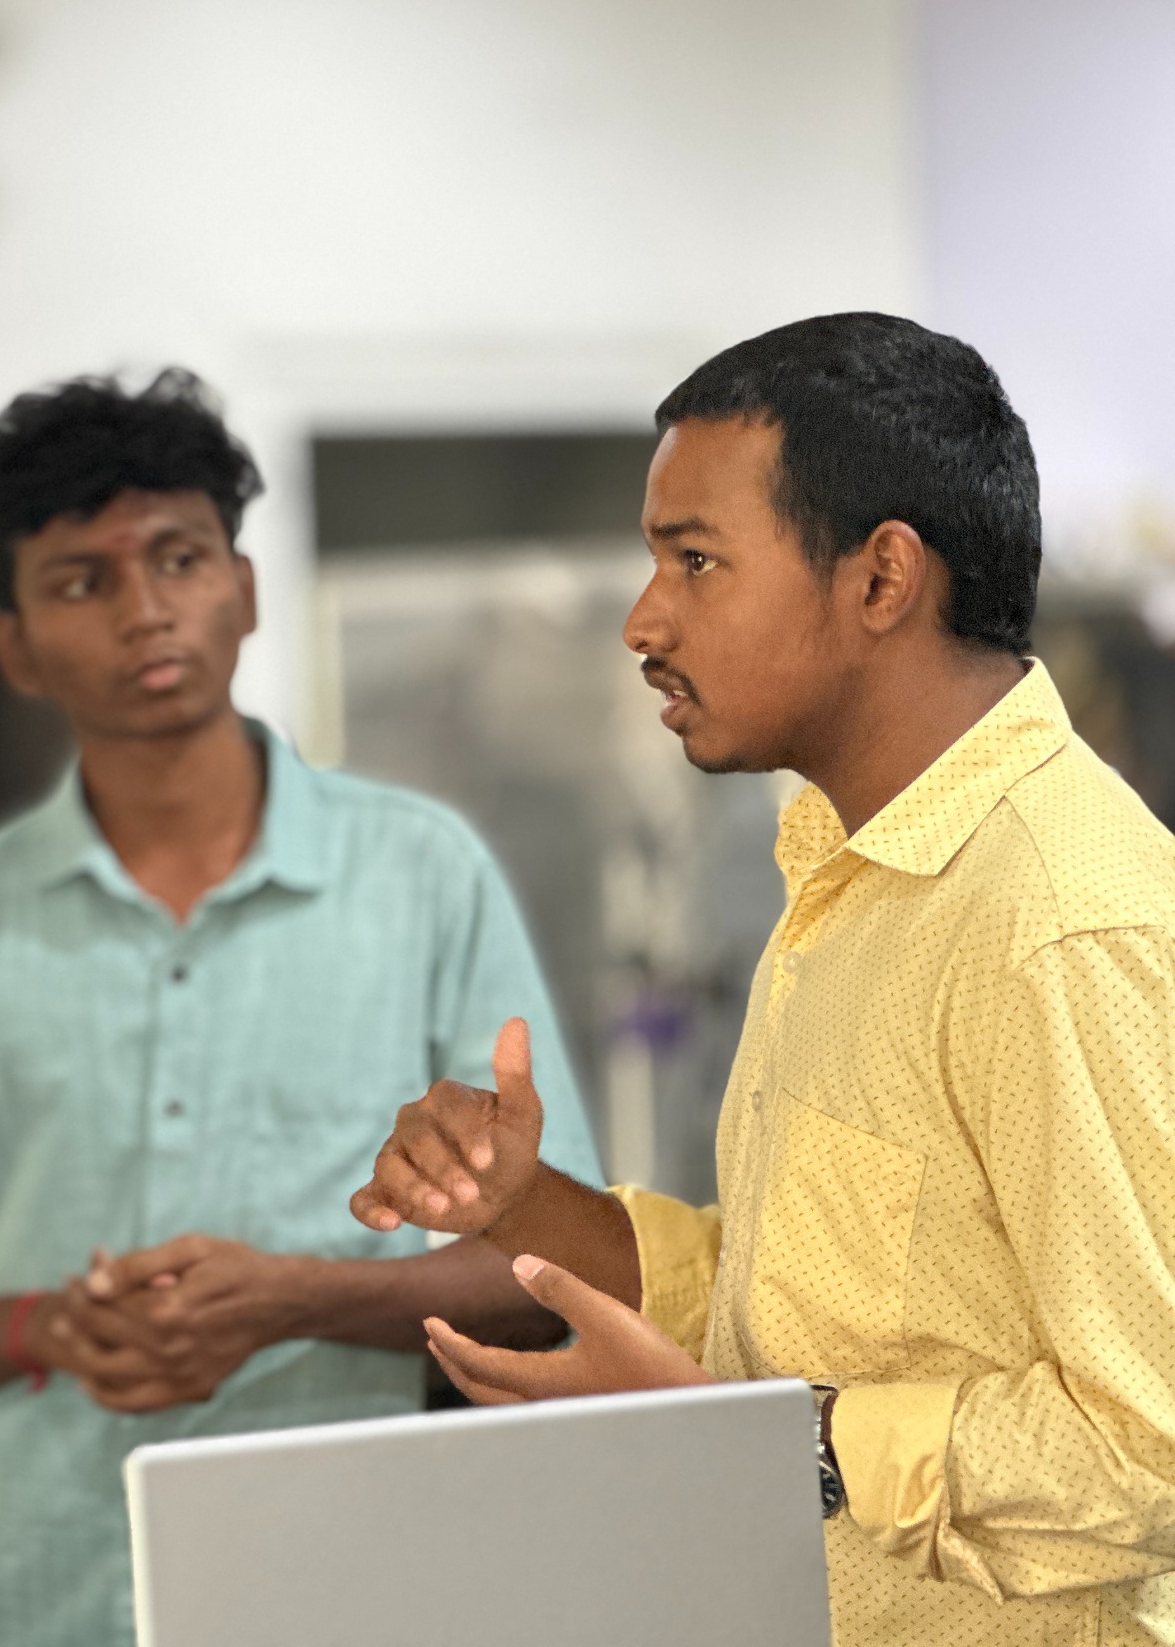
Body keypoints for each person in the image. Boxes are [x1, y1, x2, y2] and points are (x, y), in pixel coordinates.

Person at [352, 312, 1175, 1645]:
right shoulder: (854, 873)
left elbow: (1149, 1448)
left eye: (695, 561)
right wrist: (526, 1205)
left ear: (881, 578)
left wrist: (771, 1446)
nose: (642, 620)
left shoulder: (1059, 919)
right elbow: (796, 1305)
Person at [0, 369, 602, 1647]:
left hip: (332, 1588)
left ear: (243, 587)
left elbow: (556, 1263)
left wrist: (292, 1296)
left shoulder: (421, 876)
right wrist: (44, 1327)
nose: (144, 611)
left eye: (177, 559)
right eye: (81, 581)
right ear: (14, 644)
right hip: (18, 1594)